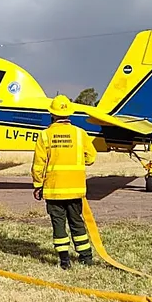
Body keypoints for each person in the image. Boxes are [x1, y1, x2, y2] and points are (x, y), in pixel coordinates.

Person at [31, 95, 98, 269]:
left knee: (58, 224)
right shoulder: (79, 133)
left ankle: (64, 260)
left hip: (54, 190)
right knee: (77, 222)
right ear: (69, 113)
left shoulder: (45, 135)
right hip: (75, 189)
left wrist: (38, 185)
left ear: (52, 114)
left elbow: (38, 164)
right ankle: (86, 257)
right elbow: (91, 157)